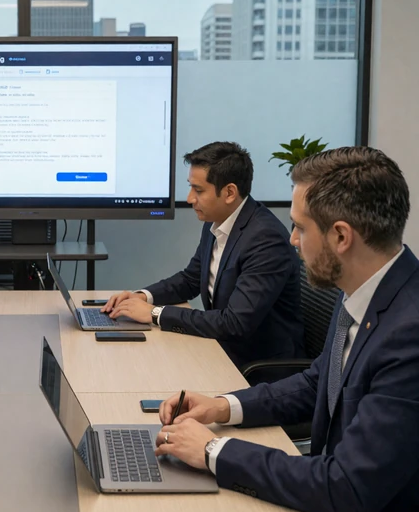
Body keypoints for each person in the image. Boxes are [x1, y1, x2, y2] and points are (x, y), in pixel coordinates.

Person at [153, 147, 419, 512]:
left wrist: (214, 452)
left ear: (341, 236)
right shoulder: (367, 294)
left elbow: (345, 486)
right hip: (332, 497)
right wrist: (223, 406)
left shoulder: (408, 335)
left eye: (300, 227)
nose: (291, 240)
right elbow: (318, 382)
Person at [102, 141, 303, 368]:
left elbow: (235, 323)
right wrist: (142, 296)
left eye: (198, 190)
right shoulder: (216, 222)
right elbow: (190, 279)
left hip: (255, 368)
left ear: (229, 193)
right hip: (220, 349)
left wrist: (154, 313)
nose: (189, 199)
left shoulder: (265, 239)